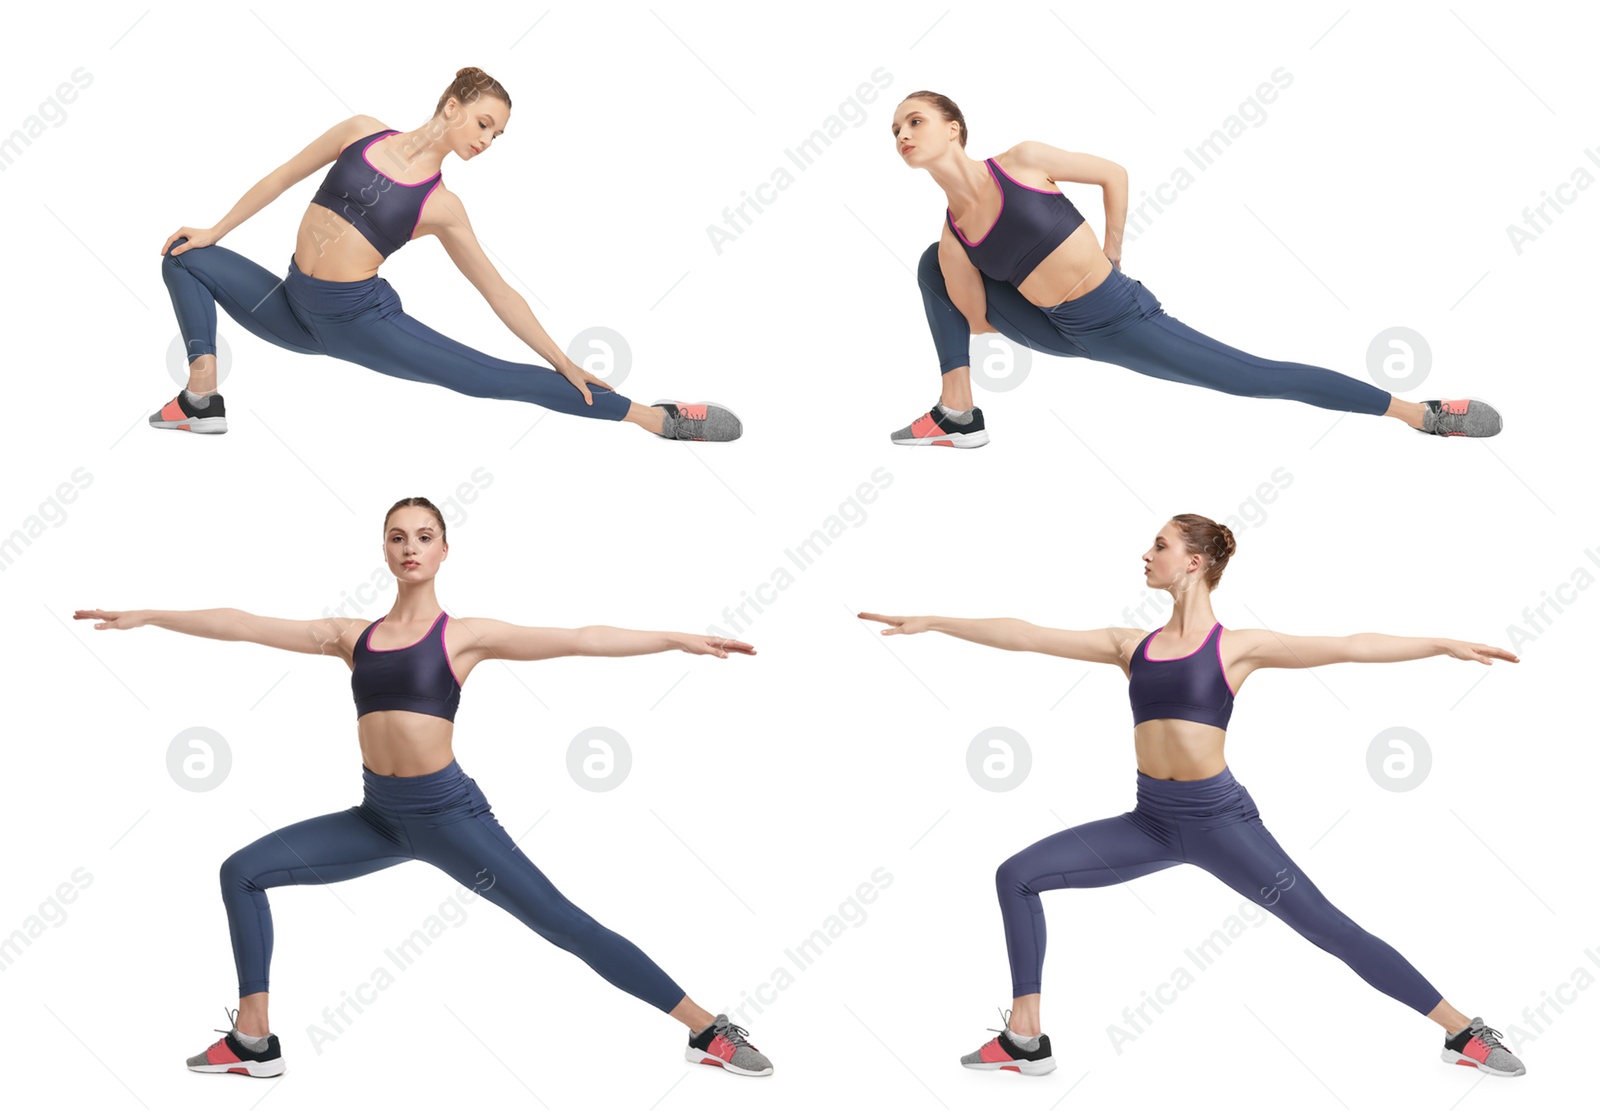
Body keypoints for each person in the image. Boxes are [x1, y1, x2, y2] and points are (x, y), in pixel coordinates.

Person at [72, 497, 772, 1078]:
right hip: (378, 819)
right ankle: (253, 1039)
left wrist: (678, 638)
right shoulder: (352, 636)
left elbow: (582, 638)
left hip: (449, 818)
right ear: (384, 550)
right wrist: (150, 614)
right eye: (398, 536)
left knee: (564, 925)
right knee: (241, 871)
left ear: (443, 552)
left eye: (424, 537)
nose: (411, 546)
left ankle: (706, 1029)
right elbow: (245, 624)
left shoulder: (463, 637)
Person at [858, 513, 1524, 1078]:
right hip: (1149, 823)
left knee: (1329, 929)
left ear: (1195, 563)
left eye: (1160, 546)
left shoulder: (1238, 648)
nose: (1145, 556)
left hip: (1220, 824)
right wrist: (936, 622)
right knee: (1016, 875)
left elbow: (1349, 645)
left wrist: (1438, 643)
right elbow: (1027, 633)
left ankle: (1463, 1033)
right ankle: (1024, 1039)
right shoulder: (1132, 646)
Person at [154, 67, 739, 442]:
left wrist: (562, 358)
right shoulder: (360, 131)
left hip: (362, 323)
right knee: (182, 256)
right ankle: (201, 393)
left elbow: (497, 291)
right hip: (290, 308)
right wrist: (217, 228)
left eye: (496, 136)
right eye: (484, 123)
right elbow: (282, 176)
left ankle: (654, 419)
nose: (486, 141)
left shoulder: (443, 206)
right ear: (452, 104)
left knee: (491, 379)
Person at [887, 91, 1500, 448]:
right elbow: (975, 321)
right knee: (929, 267)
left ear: (953, 128)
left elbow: (1113, 174)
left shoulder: (1021, 161)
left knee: (1254, 377)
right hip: (1053, 330)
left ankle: (1421, 415)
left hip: (1117, 318)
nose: (903, 135)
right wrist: (1015, 302)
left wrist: (1114, 252)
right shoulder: (953, 235)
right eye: (895, 131)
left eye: (915, 121)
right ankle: (958, 413)